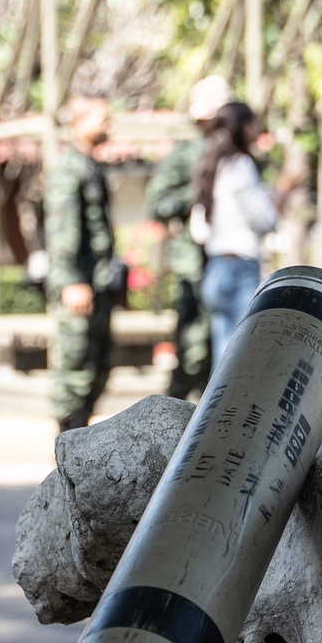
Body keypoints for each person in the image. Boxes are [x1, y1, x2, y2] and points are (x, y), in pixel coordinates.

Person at [143, 75, 232, 400]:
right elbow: (156, 204)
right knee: (193, 348)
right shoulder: (184, 155)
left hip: (227, 261)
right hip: (193, 264)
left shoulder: (233, 152)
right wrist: (196, 194)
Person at [193, 101, 295, 369]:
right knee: (239, 360)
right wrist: (282, 193)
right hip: (239, 268)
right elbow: (265, 220)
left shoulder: (212, 165)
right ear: (241, 128)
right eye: (252, 123)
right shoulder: (241, 164)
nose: (257, 129)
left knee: (223, 355)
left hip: (215, 267)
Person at [44, 96, 117, 432]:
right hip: (79, 284)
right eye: (101, 119)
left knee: (97, 367)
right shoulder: (68, 168)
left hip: (97, 283)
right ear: (77, 124)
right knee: (74, 370)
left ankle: (79, 441)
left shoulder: (90, 165)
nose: (107, 125)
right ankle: (66, 446)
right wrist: (71, 281)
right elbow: (62, 231)